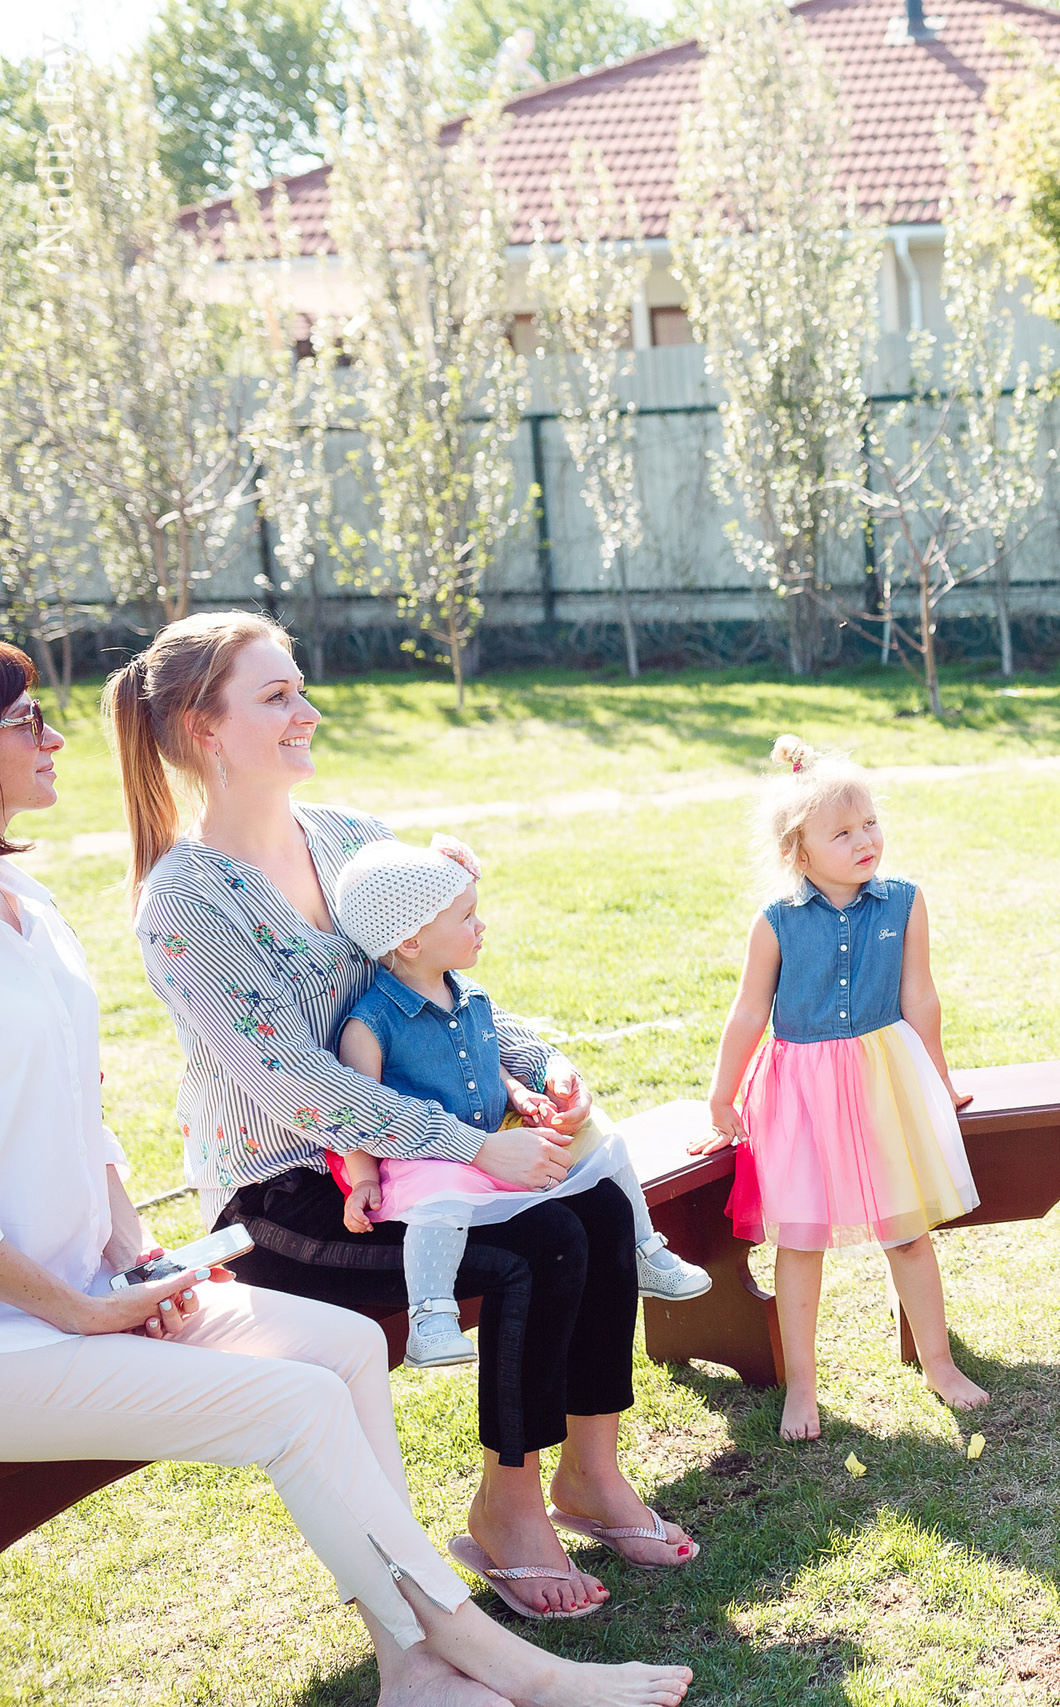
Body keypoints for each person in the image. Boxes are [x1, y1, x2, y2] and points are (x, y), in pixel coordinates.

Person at [0, 640, 694, 1706]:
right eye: (277, 696)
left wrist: (535, 1067)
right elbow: (298, 1088)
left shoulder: (346, 844)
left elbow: (445, 991)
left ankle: (583, 1486)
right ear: (203, 728)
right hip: (284, 1183)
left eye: (300, 688)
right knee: (535, 1242)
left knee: (595, 1200)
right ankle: (499, 1532)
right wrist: (471, 1145)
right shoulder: (186, 901)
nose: (309, 711)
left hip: (389, 1160)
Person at [691, 737, 987, 1439]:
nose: (865, 840)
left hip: (884, 1081)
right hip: (799, 1092)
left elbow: (922, 1000)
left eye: (871, 824)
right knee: (801, 1241)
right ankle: (802, 1387)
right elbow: (746, 1015)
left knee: (907, 1230)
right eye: (843, 832)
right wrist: (721, 1096)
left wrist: (938, 1083)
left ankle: (940, 1364)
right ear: (800, 851)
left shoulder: (906, 903)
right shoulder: (777, 920)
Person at [329, 840, 713, 1372]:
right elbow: (357, 1110)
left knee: (602, 1134)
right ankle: (431, 1317)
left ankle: (643, 1249)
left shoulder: (470, 995)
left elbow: (486, 1061)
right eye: (466, 916)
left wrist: (522, 1092)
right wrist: (363, 1177)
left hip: (501, 1135)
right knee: (439, 1202)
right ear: (412, 941)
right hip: (433, 1157)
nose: (481, 924)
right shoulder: (370, 1025)